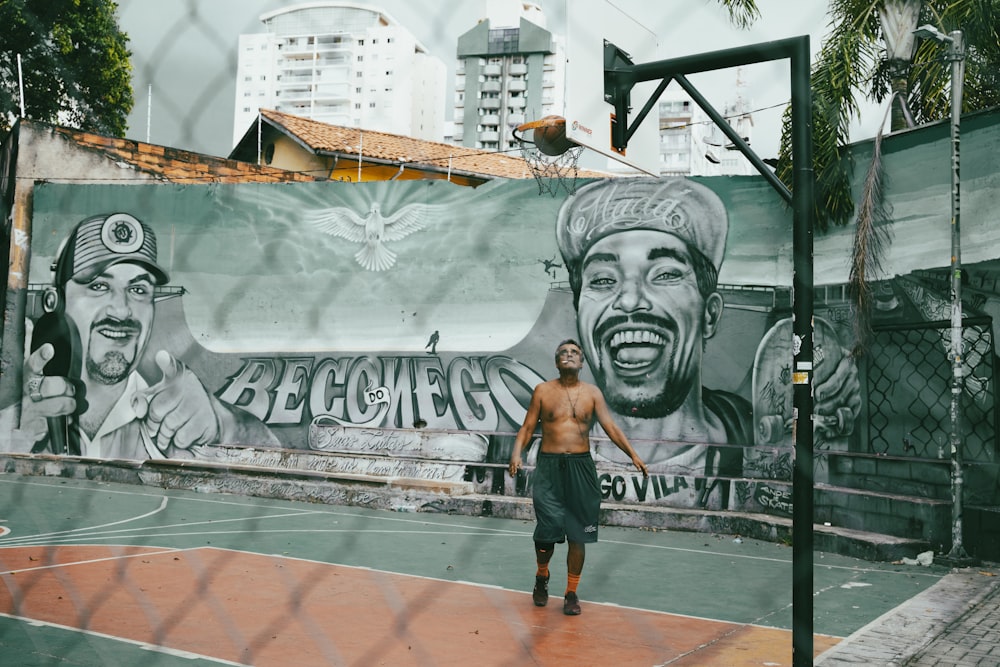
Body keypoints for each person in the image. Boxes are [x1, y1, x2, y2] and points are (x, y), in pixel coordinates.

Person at [555, 178, 860, 505]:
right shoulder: (551, 451)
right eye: (602, 280)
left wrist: (829, 393)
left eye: (666, 274)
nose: (630, 301)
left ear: (710, 314)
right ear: (578, 315)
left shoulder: (749, 431)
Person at [10, 212, 279, 458]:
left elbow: (274, 466)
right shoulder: (20, 414)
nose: (122, 310)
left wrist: (225, 426)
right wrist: (14, 428)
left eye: (138, 290)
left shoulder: (171, 422)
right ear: (55, 302)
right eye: (99, 285)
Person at [508, 339, 647, 615]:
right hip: (549, 468)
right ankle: (542, 575)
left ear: (582, 362)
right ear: (556, 361)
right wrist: (516, 453)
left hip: (581, 469)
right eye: (563, 352)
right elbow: (526, 427)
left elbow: (610, 426)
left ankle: (571, 592)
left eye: (574, 353)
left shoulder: (592, 393)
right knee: (546, 532)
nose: (568, 355)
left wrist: (633, 454)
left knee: (578, 534)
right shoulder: (542, 391)